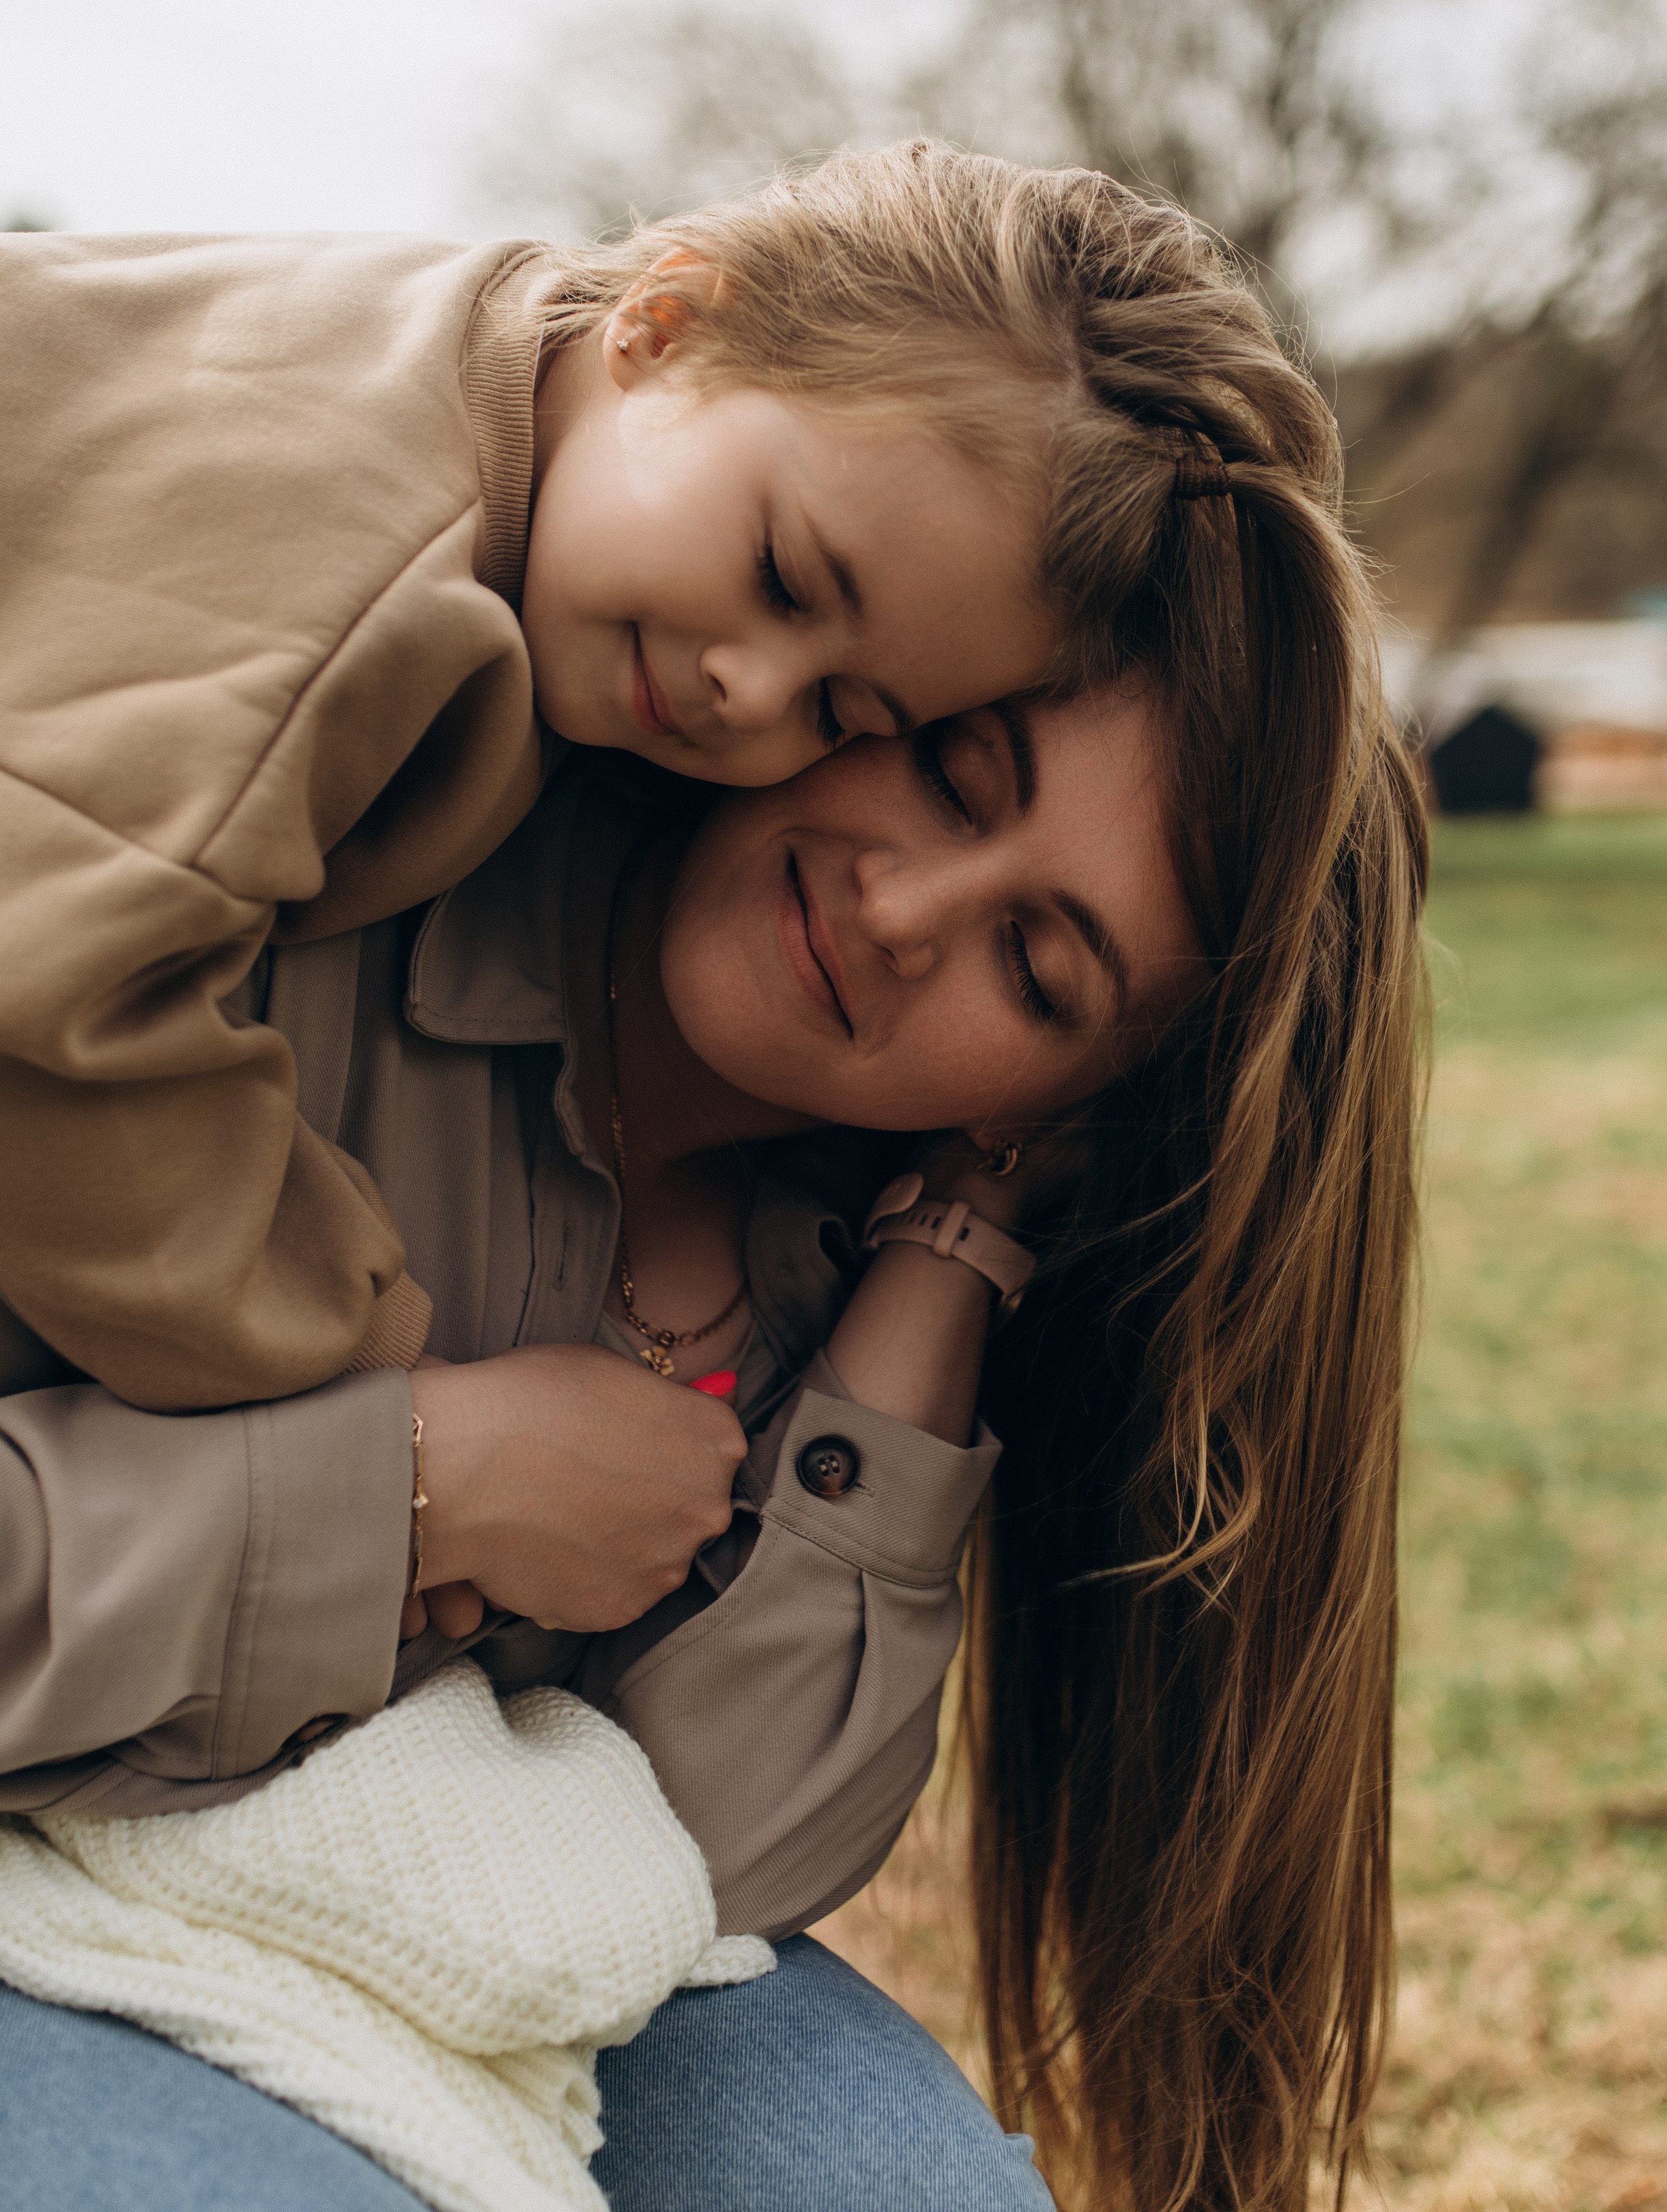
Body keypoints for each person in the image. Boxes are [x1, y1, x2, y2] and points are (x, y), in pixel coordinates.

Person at [0, 388, 1426, 2210]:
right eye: (950, 775)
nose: (904, 909)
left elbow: (701, 1871)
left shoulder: (827, 1286)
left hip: (371, 1918)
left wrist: (957, 1240)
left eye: (1034, 969)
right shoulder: (281, 891)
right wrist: (419, 1488)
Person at [0, 139, 1274, 1428]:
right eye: (783, 578)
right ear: (668, 320)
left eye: (841, 712)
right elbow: (52, 1008)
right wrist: (380, 1385)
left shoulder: (460, 347)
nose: (753, 695)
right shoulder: (362, 595)